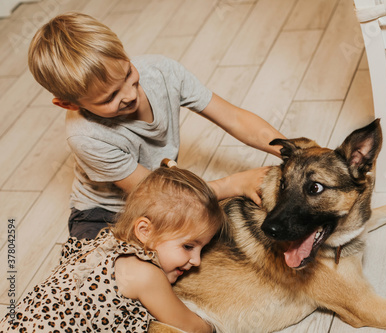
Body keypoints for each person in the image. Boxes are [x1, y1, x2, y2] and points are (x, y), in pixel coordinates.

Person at [28, 12, 285, 239]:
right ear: (68, 105)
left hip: (163, 195)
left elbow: (235, 118)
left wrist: (293, 151)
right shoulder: (86, 136)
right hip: (104, 215)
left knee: (216, 232)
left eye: (128, 74)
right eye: (109, 98)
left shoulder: (161, 71)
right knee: (127, 272)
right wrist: (233, 184)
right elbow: (158, 195)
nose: (129, 94)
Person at [0, 165, 224, 332]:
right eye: (188, 246)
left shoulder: (103, 242)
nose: (197, 261)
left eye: (201, 249)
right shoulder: (145, 275)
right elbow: (193, 328)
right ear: (145, 231)